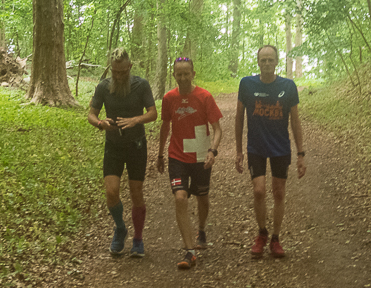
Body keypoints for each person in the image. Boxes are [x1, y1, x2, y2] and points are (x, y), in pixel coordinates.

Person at [234, 44, 306, 258]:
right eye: (263, 60)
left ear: (276, 62)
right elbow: (239, 118)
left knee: (279, 192)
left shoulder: (288, 86)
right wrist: (238, 150)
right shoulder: (247, 84)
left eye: (270, 60)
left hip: (280, 147)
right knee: (258, 190)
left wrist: (301, 154)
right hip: (256, 146)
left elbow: (295, 121)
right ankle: (262, 233)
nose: (266, 64)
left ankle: (275, 238)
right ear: (258, 62)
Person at [87, 48, 157, 257]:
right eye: (115, 72)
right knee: (111, 192)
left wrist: (136, 120)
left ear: (130, 67)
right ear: (111, 69)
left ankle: (138, 239)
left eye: (123, 72)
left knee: (136, 193)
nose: (119, 76)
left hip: (136, 145)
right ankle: (120, 228)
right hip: (113, 146)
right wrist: (101, 124)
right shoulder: (103, 87)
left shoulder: (141, 85)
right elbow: (91, 114)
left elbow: (153, 113)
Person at [155, 57, 223, 270]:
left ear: (193, 74)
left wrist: (213, 150)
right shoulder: (169, 98)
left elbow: (217, 128)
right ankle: (189, 250)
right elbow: (165, 126)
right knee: (180, 198)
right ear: (173, 75)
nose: (183, 77)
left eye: (186, 73)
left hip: (201, 155)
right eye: (179, 74)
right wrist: (159, 154)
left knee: (202, 197)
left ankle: (201, 229)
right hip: (177, 156)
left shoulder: (204, 97)